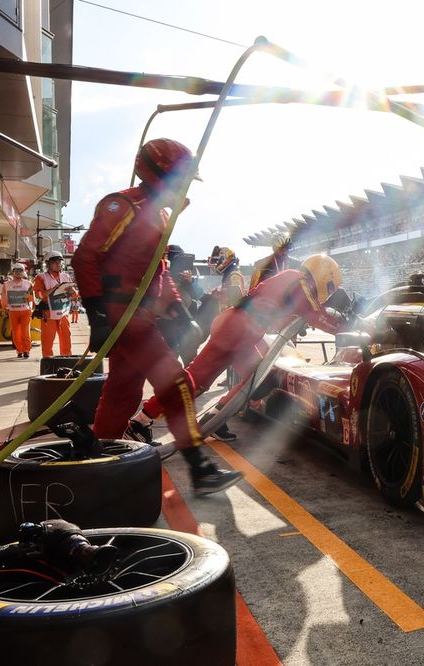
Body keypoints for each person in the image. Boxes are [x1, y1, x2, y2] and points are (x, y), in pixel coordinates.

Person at [72, 137, 241, 495]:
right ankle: (201, 468)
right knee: (175, 385)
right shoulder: (122, 207)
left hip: (139, 316)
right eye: (180, 180)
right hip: (125, 316)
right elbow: (85, 257)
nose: (183, 189)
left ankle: (96, 460)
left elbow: (159, 275)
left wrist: (181, 314)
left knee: (122, 393)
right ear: (159, 175)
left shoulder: (159, 216)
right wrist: (97, 314)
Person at [128, 255, 350, 445]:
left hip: (243, 331)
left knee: (260, 379)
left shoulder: (294, 282)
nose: (328, 293)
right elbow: (315, 313)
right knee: (195, 380)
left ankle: (215, 420)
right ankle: (141, 420)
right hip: (237, 328)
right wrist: (348, 326)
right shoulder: (298, 281)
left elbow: (282, 314)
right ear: (323, 275)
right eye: (330, 287)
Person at [32, 252, 77, 357]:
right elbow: (38, 295)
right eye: (54, 262)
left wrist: (72, 291)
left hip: (63, 312)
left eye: (59, 262)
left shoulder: (65, 276)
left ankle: (66, 358)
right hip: (48, 313)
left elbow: (74, 295)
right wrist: (53, 289)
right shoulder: (41, 277)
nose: (58, 264)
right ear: (48, 264)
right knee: (48, 339)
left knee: (66, 337)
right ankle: (48, 361)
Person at [1, 263, 34, 358]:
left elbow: (31, 298)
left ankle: (26, 350)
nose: (18, 273)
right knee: (15, 332)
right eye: (16, 271)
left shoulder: (28, 284)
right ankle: (19, 350)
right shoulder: (6, 285)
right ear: (13, 272)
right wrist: (5, 307)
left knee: (25, 331)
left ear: (23, 272)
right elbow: (3, 297)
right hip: (13, 312)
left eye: (20, 271)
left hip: (25, 311)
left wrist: (31, 309)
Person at [210, 246, 246, 311]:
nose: (218, 263)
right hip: (229, 313)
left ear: (226, 258)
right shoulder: (229, 273)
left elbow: (236, 292)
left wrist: (219, 292)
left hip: (233, 314)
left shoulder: (234, 273)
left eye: (219, 260)